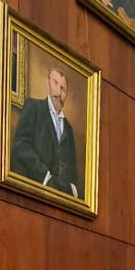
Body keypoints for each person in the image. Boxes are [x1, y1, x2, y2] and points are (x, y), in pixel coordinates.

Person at [10, 67, 81, 198]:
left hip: (61, 200)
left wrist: (73, 191)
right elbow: (20, 145)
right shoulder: (33, 107)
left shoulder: (69, 129)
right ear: (47, 83)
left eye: (63, 89)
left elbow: (72, 169)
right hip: (32, 191)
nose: (59, 92)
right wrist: (44, 176)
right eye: (55, 83)